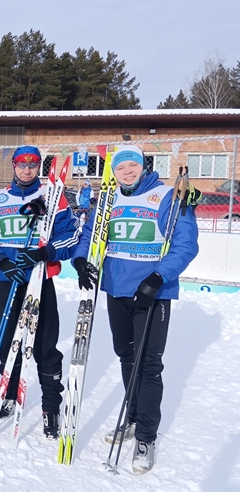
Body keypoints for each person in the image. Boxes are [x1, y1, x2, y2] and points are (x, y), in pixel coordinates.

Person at [72, 145, 199, 474]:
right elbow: (90, 235)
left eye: (133, 165)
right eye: (121, 167)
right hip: (117, 290)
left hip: (151, 293)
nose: (127, 171)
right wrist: (81, 260)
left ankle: (146, 435)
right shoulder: (109, 199)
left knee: (148, 365)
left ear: (143, 166)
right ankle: (131, 416)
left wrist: (158, 278)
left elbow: (186, 244)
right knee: (127, 357)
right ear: (113, 171)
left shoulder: (167, 196)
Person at [0, 145, 78, 439]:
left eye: (33, 164)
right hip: (7, 280)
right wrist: (2, 262)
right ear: (14, 166)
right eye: (21, 164)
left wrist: (45, 252)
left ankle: (51, 407)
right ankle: (9, 394)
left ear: (39, 167)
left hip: (39, 280)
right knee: (8, 342)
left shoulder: (53, 197)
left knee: (45, 345)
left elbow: (71, 235)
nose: (26, 169)